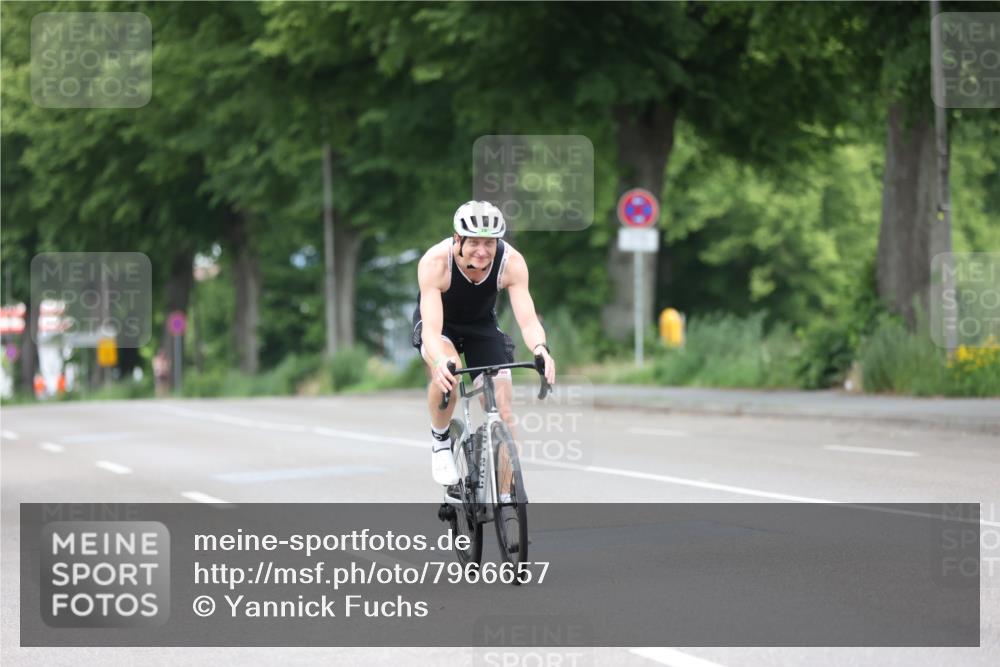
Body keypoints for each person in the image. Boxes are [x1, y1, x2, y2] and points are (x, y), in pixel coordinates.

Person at [412, 200, 556, 486]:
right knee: (449, 376)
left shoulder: (511, 262)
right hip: (440, 326)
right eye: (474, 242)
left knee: (503, 412)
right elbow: (431, 330)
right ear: (458, 239)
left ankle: (506, 503)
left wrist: (541, 349)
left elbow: (527, 321)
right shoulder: (435, 263)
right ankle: (440, 439)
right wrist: (440, 361)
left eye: (489, 243)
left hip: (481, 325)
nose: (482, 250)